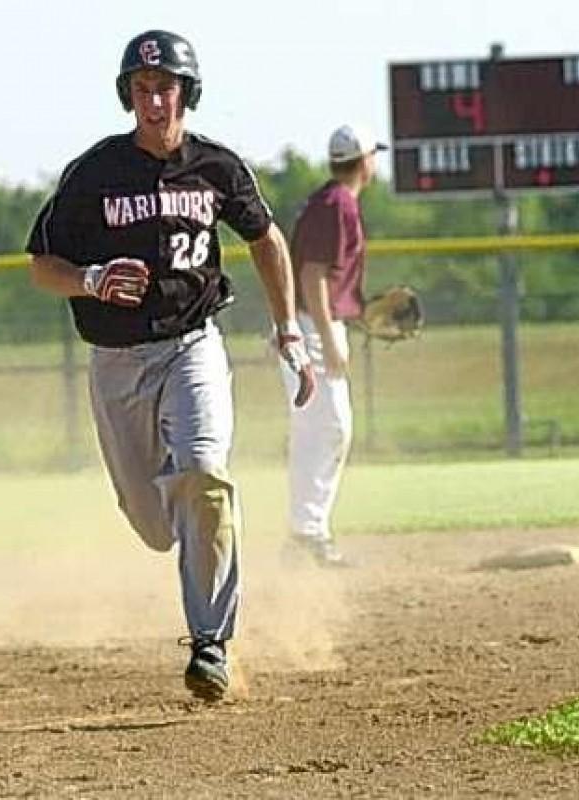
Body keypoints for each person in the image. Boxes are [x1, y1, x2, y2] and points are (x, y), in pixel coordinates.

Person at [26, 30, 314, 701]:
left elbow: (266, 239)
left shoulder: (216, 167)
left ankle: (211, 643)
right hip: (116, 362)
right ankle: (177, 532)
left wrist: (288, 330)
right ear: (128, 96)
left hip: (192, 346)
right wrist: (90, 279)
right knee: (154, 523)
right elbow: (42, 266)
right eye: (142, 89)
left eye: (166, 89)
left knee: (204, 474)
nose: (154, 101)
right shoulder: (94, 173)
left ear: (189, 93)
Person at [278, 124, 387, 567]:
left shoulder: (332, 200)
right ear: (364, 161)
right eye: (374, 155)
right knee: (329, 428)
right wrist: (328, 337)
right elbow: (312, 277)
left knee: (323, 429)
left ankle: (307, 533)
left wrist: (353, 317)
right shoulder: (337, 203)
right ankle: (307, 533)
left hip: (312, 325)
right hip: (310, 329)